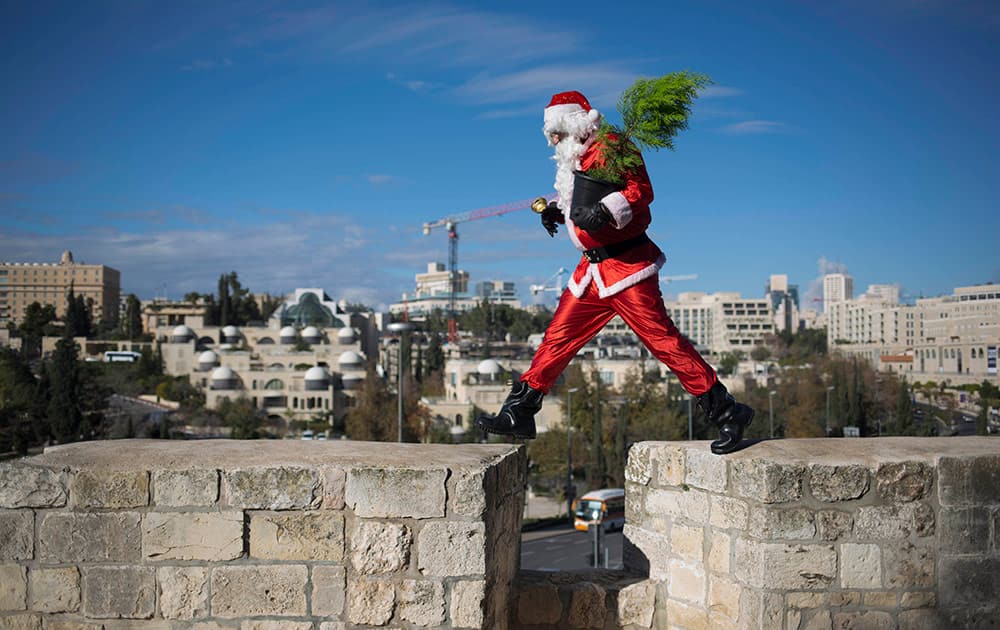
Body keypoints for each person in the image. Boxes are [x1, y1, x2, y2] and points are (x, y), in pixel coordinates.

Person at [476, 90, 754, 455]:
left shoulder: (612, 146)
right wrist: (557, 211)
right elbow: (582, 202)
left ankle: (729, 411)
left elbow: (640, 191)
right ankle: (520, 411)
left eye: (555, 132)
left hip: (627, 268)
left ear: (574, 122)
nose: (552, 140)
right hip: (591, 269)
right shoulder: (576, 155)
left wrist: (607, 211)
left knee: (663, 342)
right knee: (556, 338)